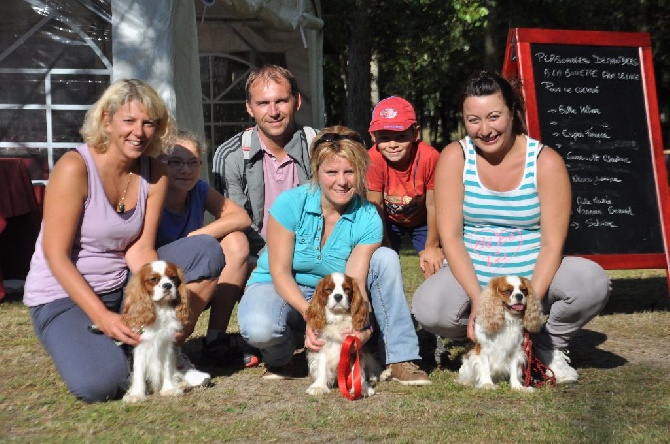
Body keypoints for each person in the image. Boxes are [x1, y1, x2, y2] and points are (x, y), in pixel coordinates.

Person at [23, 79, 223, 403]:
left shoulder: (155, 170)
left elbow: (141, 248)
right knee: (101, 385)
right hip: (62, 296)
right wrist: (103, 318)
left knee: (206, 251)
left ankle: (169, 345)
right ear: (106, 120)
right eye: (129, 121)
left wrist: (152, 295)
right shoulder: (74, 167)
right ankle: (125, 351)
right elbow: (55, 255)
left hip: (122, 286)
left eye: (148, 123)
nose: (139, 132)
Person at [412, 71, 611, 384]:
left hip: (531, 277)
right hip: (476, 275)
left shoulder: (546, 162)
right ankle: (480, 345)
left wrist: (530, 303)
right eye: (473, 120)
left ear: (512, 112)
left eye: (494, 117)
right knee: (428, 306)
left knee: (591, 281)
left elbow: (552, 244)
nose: (485, 129)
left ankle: (547, 346)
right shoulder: (455, 157)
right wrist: (479, 300)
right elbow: (450, 236)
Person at [237, 125, 431, 385]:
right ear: (316, 171)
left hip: (335, 293)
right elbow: (280, 272)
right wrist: (312, 315)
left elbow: (355, 280)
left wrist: (361, 326)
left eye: (350, 172)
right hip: (280, 286)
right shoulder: (289, 203)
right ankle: (282, 358)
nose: (341, 181)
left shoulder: (368, 216)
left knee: (385, 257)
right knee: (260, 327)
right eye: (331, 172)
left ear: (360, 173)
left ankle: (399, 356)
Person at [157, 130, 256, 367]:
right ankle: (170, 344)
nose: (186, 170)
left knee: (237, 241)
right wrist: (198, 244)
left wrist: (196, 237)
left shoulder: (198, 189)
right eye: (176, 162)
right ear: (160, 163)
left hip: (195, 267)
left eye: (193, 163)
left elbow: (241, 217)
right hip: (158, 277)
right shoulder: (152, 193)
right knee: (209, 247)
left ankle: (215, 339)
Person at [211, 64, 317, 262]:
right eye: (263, 103)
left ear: (297, 102)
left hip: (315, 257)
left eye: (281, 101)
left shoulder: (319, 147)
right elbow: (233, 222)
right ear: (249, 108)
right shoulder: (230, 155)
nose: (273, 111)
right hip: (257, 262)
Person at [366, 96, 443, 279]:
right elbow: (376, 207)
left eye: (401, 137)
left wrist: (432, 246)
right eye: (384, 137)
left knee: (433, 263)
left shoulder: (429, 157)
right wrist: (384, 245)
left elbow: (434, 205)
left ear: (415, 133)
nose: (392, 145)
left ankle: (433, 303)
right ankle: (383, 305)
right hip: (388, 220)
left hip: (423, 219)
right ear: (373, 136)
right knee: (380, 261)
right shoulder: (373, 159)